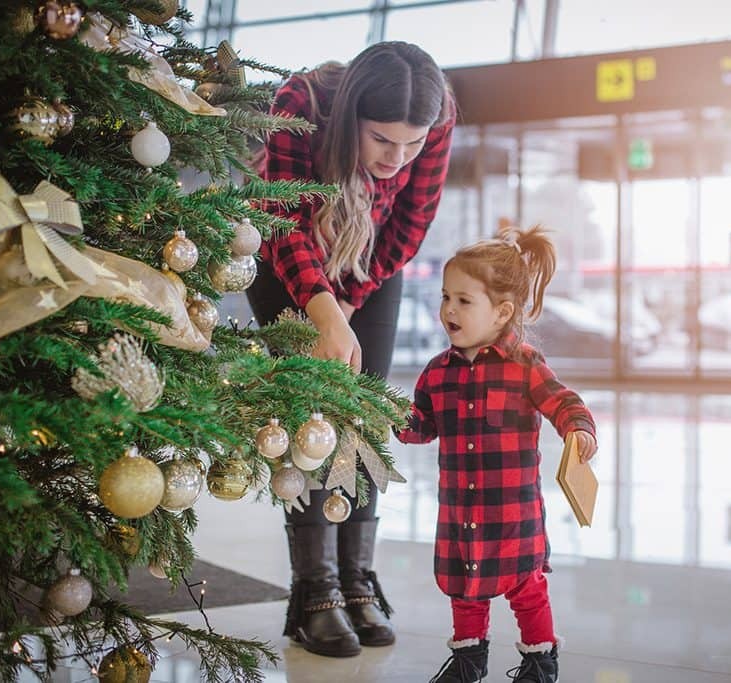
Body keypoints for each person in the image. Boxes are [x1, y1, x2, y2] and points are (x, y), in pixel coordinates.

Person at [246, 41, 455, 658]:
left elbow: (411, 225)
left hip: (369, 260)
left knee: (363, 414)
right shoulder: (300, 103)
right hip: (285, 256)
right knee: (312, 415)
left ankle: (357, 580)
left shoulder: (436, 115)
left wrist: (351, 301)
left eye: (412, 145)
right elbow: (282, 222)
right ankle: (316, 590)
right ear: (351, 119)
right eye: (382, 141)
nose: (399, 158)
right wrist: (322, 309)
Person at [395, 225, 599, 683]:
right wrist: (382, 415)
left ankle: (540, 663)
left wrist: (579, 430)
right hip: (460, 512)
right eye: (446, 296)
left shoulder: (525, 366)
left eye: (464, 301)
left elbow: (565, 402)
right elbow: (420, 426)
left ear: (502, 311)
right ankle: (469, 661)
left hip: (512, 514)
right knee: (465, 590)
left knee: (526, 588)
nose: (449, 308)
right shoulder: (436, 373)